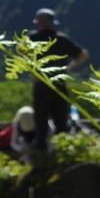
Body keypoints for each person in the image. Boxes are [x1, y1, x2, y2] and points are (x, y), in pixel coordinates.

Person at [28, 8, 89, 152]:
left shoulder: (31, 39)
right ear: (53, 23)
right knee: (62, 122)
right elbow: (83, 54)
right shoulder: (62, 39)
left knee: (41, 124)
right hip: (60, 85)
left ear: (38, 23)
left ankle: (40, 159)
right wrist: (68, 68)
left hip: (40, 85)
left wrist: (32, 70)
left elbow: (20, 53)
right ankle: (63, 154)